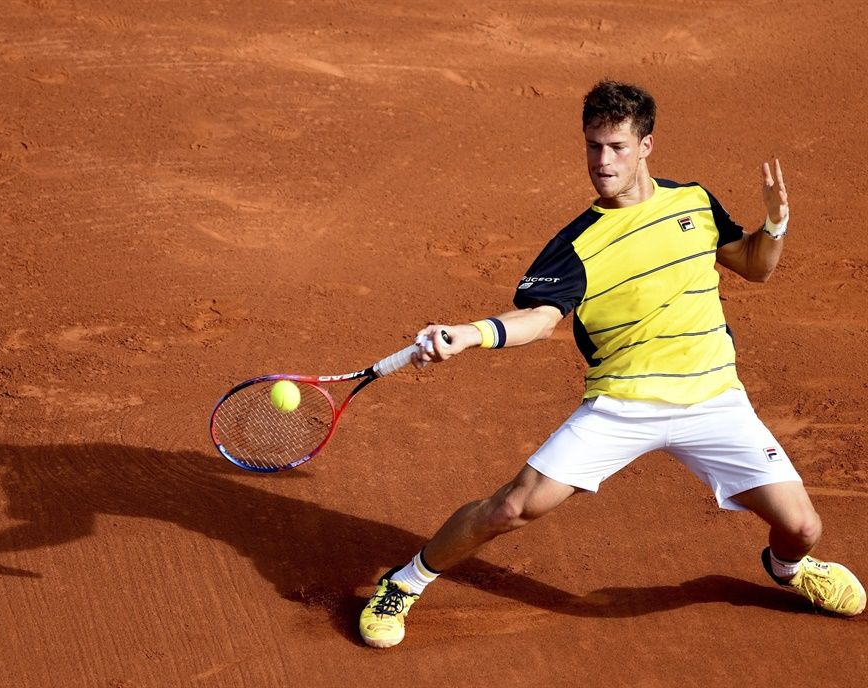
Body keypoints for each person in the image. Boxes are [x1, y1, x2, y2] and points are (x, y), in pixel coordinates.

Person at [358, 80, 866, 649]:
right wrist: (472, 334)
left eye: (617, 147)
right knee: (510, 507)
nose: (602, 161)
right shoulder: (576, 244)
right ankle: (405, 581)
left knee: (803, 527)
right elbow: (540, 319)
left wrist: (774, 224)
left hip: (714, 401)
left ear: (646, 145)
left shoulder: (694, 203)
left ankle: (787, 568)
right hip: (622, 405)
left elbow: (755, 265)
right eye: (593, 146)